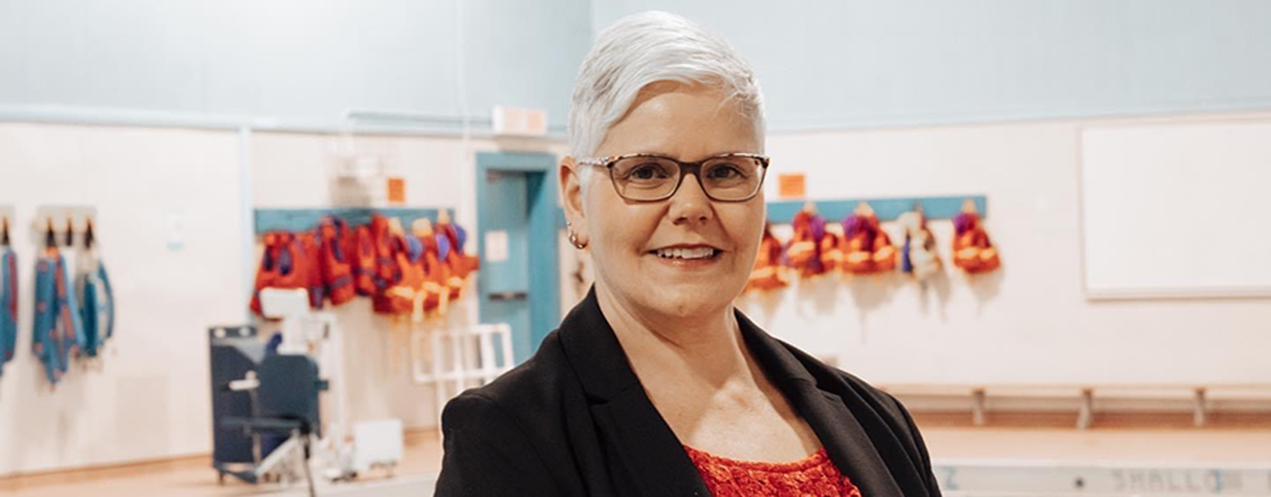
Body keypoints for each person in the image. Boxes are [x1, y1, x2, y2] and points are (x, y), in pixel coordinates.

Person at [435, 11, 941, 497]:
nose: (692, 207)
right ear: (575, 200)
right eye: (646, 171)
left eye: (725, 170)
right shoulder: (510, 436)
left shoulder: (874, 420)